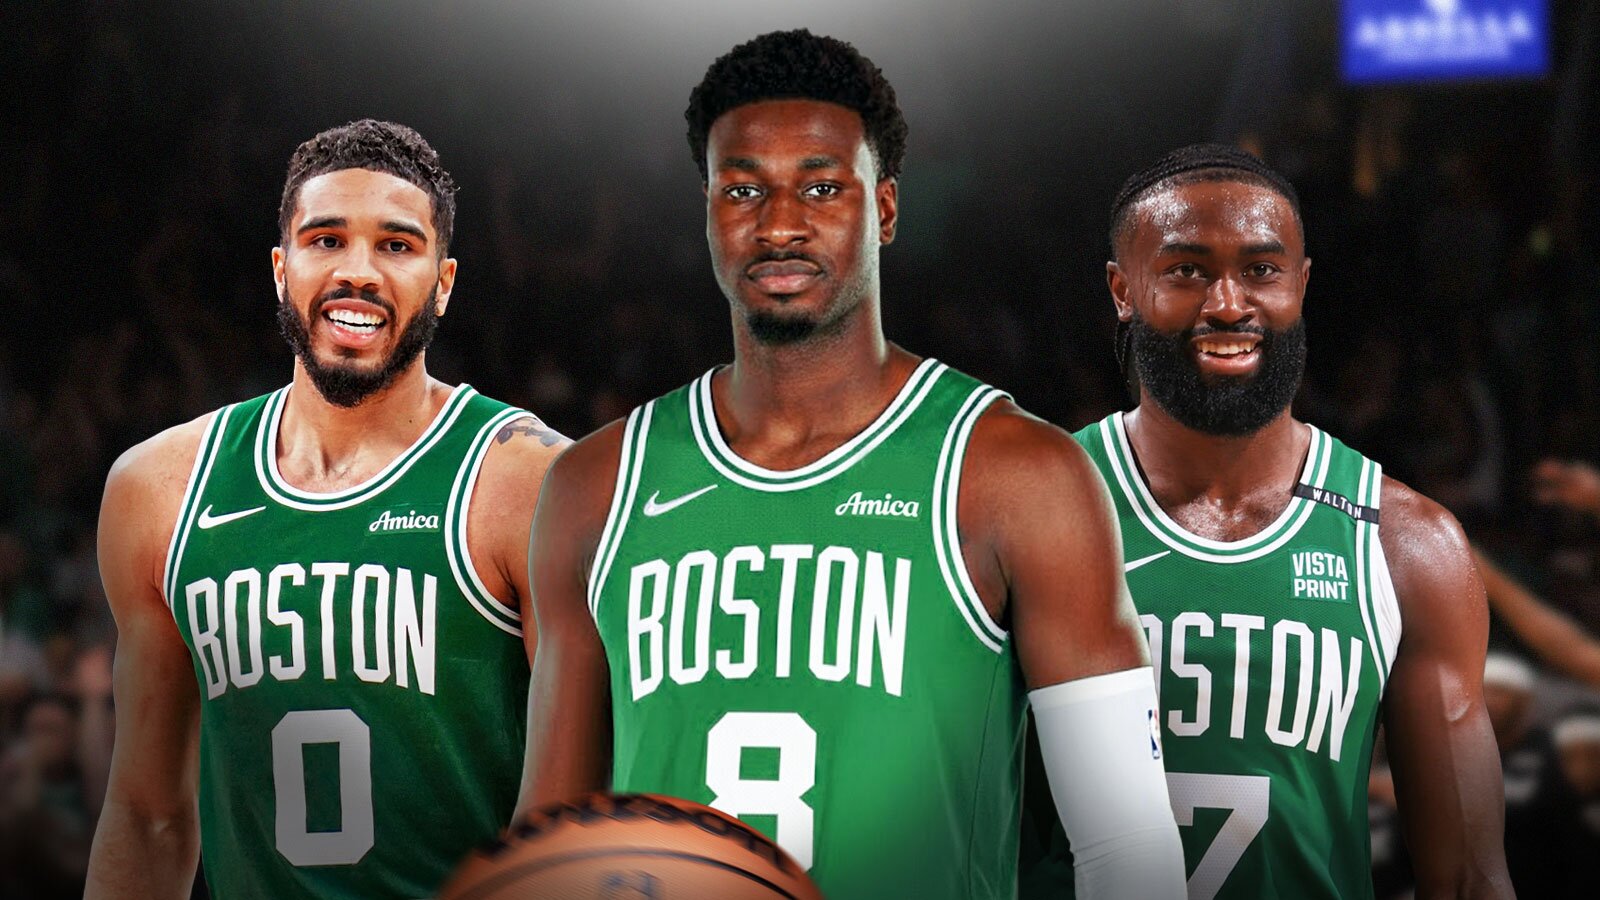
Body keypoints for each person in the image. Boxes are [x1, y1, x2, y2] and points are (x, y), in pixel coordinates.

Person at [521, 29, 1185, 900]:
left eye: (822, 187)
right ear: (708, 211)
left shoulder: (1018, 476)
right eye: (743, 189)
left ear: (886, 209)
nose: (780, 224)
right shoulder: (594, 486)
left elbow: (1129, 849)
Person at [86, 120, 567, 899]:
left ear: (443, 282)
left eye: (397, 245)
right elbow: (148, 817)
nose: (357, 272)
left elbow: (584, 817)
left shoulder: (533, 482)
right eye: (327, 239)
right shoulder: (160, 489)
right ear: (283, 269)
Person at [1024, 144, 1510, 898]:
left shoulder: (1405, 546)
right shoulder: (1024, 514)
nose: (1227, 304)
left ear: (1301, 284)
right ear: (1123, 290)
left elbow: (1470, 881)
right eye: (1187, 270)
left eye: (1260, 269)